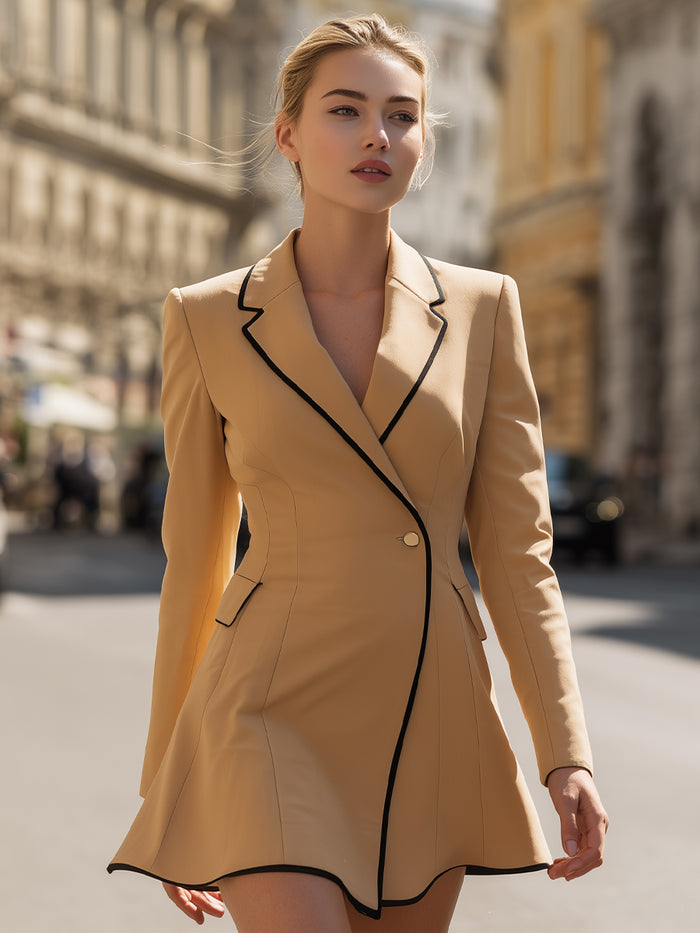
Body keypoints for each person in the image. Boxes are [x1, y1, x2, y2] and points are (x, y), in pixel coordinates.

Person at [108, 14, 608, 932]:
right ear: (289, 133)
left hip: (429, 700)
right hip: (262, 710)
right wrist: (166, 785)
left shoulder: (485, 308)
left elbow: (517, 553)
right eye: (347, 110)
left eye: (403, 115)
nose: (379, 135)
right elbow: (195, 558)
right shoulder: (206, 318)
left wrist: (563, 750)